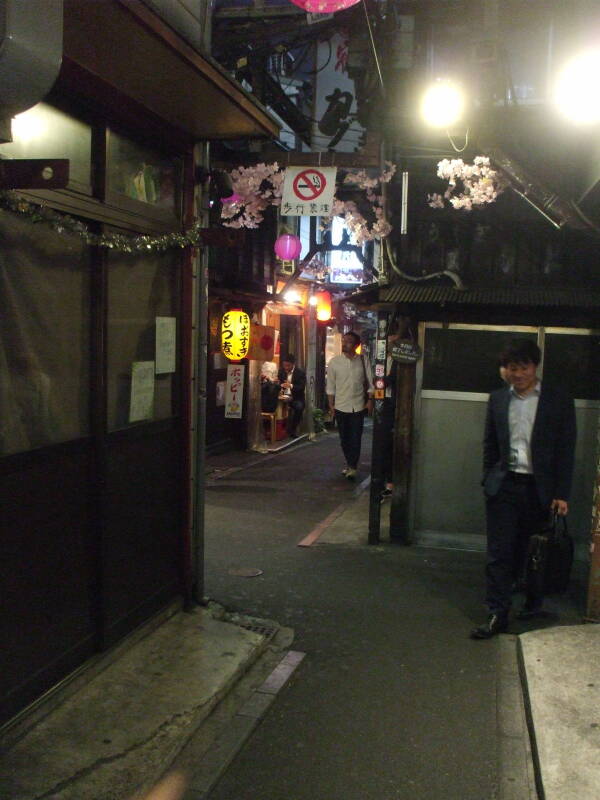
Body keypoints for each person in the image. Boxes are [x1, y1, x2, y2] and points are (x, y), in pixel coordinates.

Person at [471, 338, 576, 639]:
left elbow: (565, 449)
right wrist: (488, 478)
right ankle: (496, 613)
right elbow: (490, 445)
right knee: (498, 553)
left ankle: (532, 603)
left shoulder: (557, 400)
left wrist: (561, 493)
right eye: (512, 368)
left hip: (538, 490)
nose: (518, 374)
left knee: (530, 553)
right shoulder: (499, 399)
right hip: (504, 486)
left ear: (535, 366)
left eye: (524, 367)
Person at [326, 331, 374, 479]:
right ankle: (349, 463)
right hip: (340, 405)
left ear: (356, 345)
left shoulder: (363, 360)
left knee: (356, 437)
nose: (345, 344)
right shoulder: (335, 362)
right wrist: (331, 406)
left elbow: (371, 383)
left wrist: (370, 401)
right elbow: (331, 386)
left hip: (358, 405)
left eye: (349, 341)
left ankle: (352, 466)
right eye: (344, 341)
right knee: (344, 438)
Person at [278, 354, 306, 438]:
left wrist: (291, 386)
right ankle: (278, 429)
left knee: (299, 407)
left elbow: (301, 387)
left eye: (288, 365)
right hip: (283, 396)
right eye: (284, 365)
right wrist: (278, 383)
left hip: (295, 397)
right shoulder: (281, 371)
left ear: (293, 364)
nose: (286, 367)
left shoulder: (300, 373)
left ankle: (293, 430)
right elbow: (279, 382)